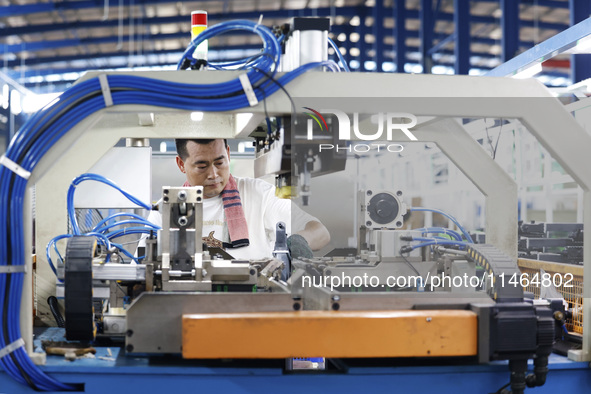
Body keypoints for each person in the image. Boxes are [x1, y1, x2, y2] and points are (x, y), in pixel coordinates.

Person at [142, 138, 330, 260]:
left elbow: (320, 232)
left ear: (229, 154)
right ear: (181, 164)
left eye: (220, 162)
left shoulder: (259, 194)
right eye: (202, 166)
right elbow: (142, 265)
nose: (214, 174)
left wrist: (297, 241)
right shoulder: (166, 210)